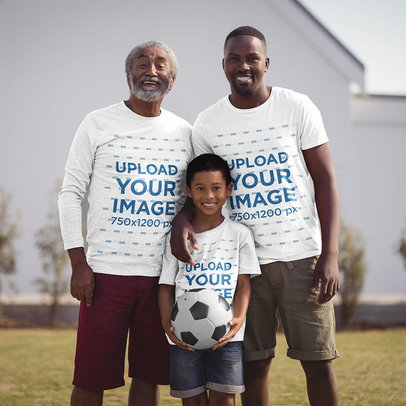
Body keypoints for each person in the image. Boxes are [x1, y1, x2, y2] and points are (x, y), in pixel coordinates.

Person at [170, 26, 340, 406]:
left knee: (318, 362)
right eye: (234, 58)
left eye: (251, 58)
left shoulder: (296, 107)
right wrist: (182, 219)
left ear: (266, 63)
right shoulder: (208, 123)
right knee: (253, 366)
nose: (243, 65)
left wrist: (330, 255)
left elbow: (326, 181)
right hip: (245, 266)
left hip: (303, 259)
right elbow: (201, 188)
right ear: (224, 65)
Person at [58, 41, 193, 406]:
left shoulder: (185, 133)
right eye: (142, 63)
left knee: (149, 377)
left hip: (161, 277)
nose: (151, 70)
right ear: (128, 73)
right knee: (90, 378)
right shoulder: (98, 123)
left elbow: (193, 201)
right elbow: (70, 193)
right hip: (103, 276)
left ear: (172, 79)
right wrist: (78, 263)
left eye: (160, 65)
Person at [159, 153, 261, 406]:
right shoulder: (177, 239)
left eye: (216, 188)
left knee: (225, 398)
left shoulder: (240, 235)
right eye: (200, 189)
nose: (209, 196)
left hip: (227, 336)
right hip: (183, 335)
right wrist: (166, 325)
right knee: (191, 399)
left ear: (228, 190)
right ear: (189, 192)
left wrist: (238, 320)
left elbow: (243, 283)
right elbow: (165, 286)